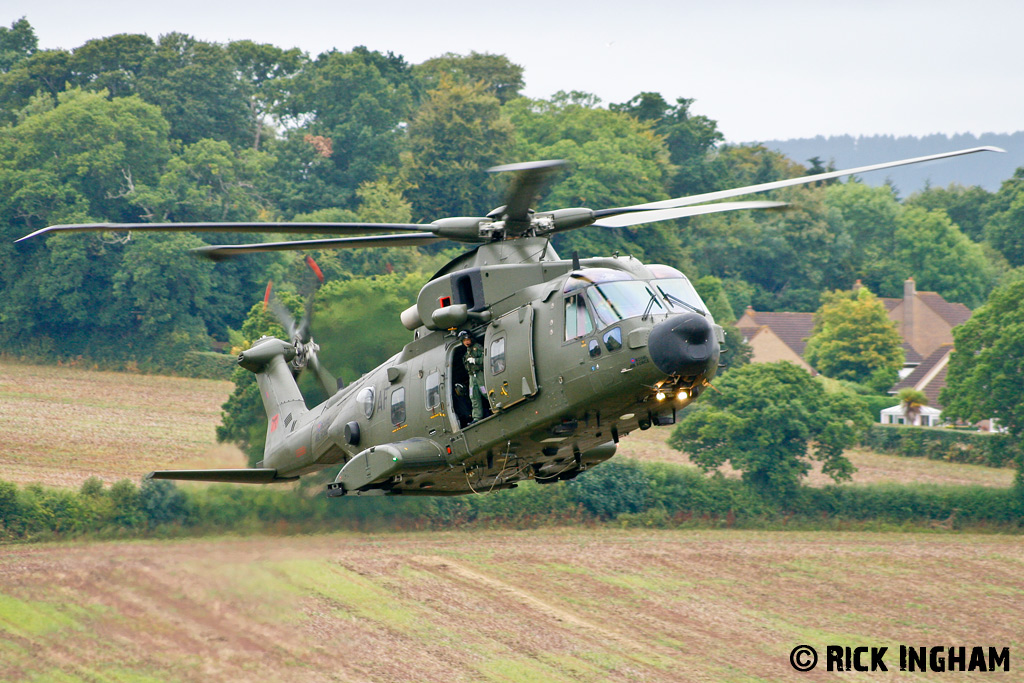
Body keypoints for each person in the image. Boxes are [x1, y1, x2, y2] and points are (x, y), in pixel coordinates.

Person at [460, 330, 487, 423]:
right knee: (473, 396)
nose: (466, 342)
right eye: (464, 341)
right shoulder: (467, 353)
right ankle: (476, 417)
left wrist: (475, 360)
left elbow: (485, 358)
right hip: (472, 376)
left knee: (485, 391)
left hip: (479, 374)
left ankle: (495, 405)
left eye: (467, 340)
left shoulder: (477, 348)